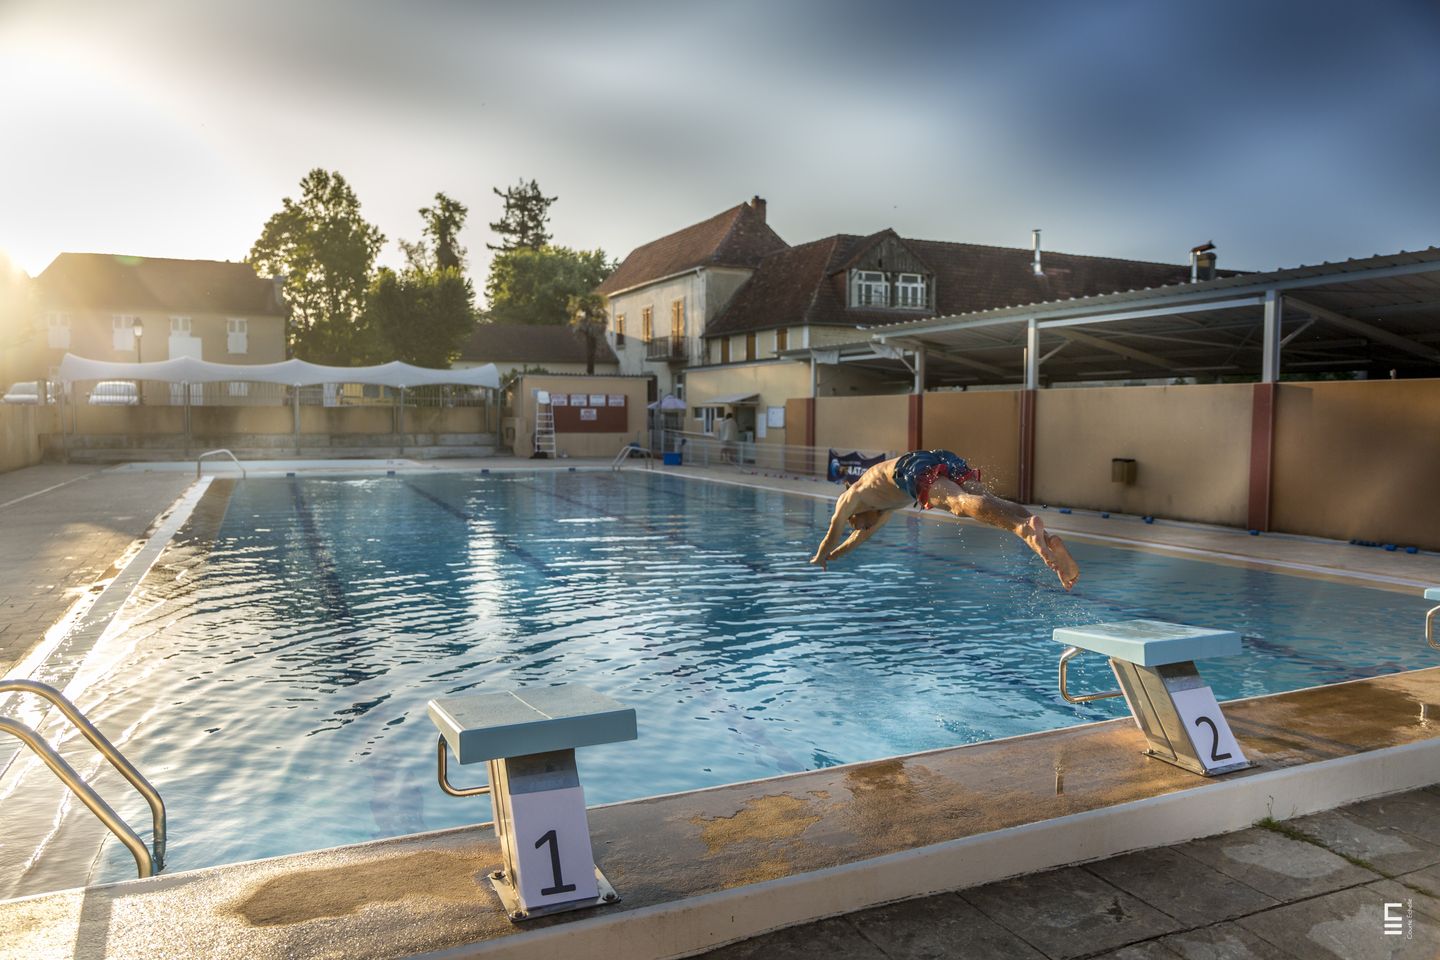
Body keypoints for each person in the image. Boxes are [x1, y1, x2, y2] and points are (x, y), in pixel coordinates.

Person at [809, 449, 1080, 590]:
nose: (864, 528)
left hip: (910, 467)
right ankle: (1040, 534)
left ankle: (1022, 529)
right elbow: (857, 539)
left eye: (859, 523)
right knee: (991, 502)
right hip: (938, 457)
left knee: (958, 504)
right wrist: (834, 557)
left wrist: (821, 554)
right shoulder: (882, 508)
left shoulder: (852, 497)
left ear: (854, 514)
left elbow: (834, 530)